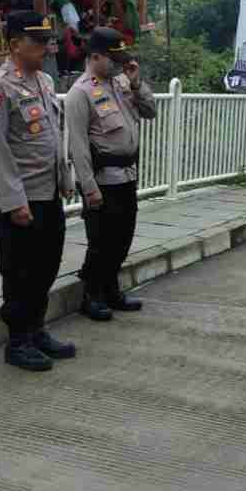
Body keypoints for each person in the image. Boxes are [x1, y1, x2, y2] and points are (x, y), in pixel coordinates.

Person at [0, 12, 76, 372]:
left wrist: (64, 179)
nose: (45, 48)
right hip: (20, 198)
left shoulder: (45, 82)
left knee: (47, 266)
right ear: (15, 43)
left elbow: (53, 134)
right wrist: (14, 201)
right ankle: (17, 341)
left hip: (47, 192)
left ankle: (36, 331)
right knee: (19, 272)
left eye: (47, 41)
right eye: (37, 42)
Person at [65, 27, 157, 321]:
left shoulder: (121, 83)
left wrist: (136, 81)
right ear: (94, 56)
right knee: (101, 241)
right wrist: (88, 187)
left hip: (127, 175)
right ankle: (92, 295)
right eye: (112, 58)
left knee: (123, 238)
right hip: (102, 180)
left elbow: (150, 111)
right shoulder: (80, 93)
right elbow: (77, 146)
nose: (118, 63)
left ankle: (111, 289)